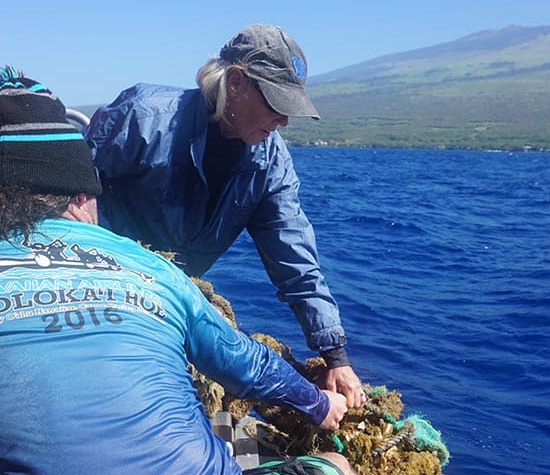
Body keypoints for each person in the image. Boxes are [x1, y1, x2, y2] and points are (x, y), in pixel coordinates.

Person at [0, 68, 437, 475]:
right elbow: (252, 367)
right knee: (333, 473)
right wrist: (319, 404)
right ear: (82, 196)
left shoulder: (266, 160)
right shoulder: (151, 260)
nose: (282, 122)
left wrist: (331, 348)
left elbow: (291, 249)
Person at [85, 24, 366, 409]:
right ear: (235, 83)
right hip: (99, 293)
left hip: (176, 305)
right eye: (276, 103)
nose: (284, 121)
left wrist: (335, 356)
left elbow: (295, 260)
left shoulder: (270, 162)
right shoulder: (144, 118)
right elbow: (68, 199)